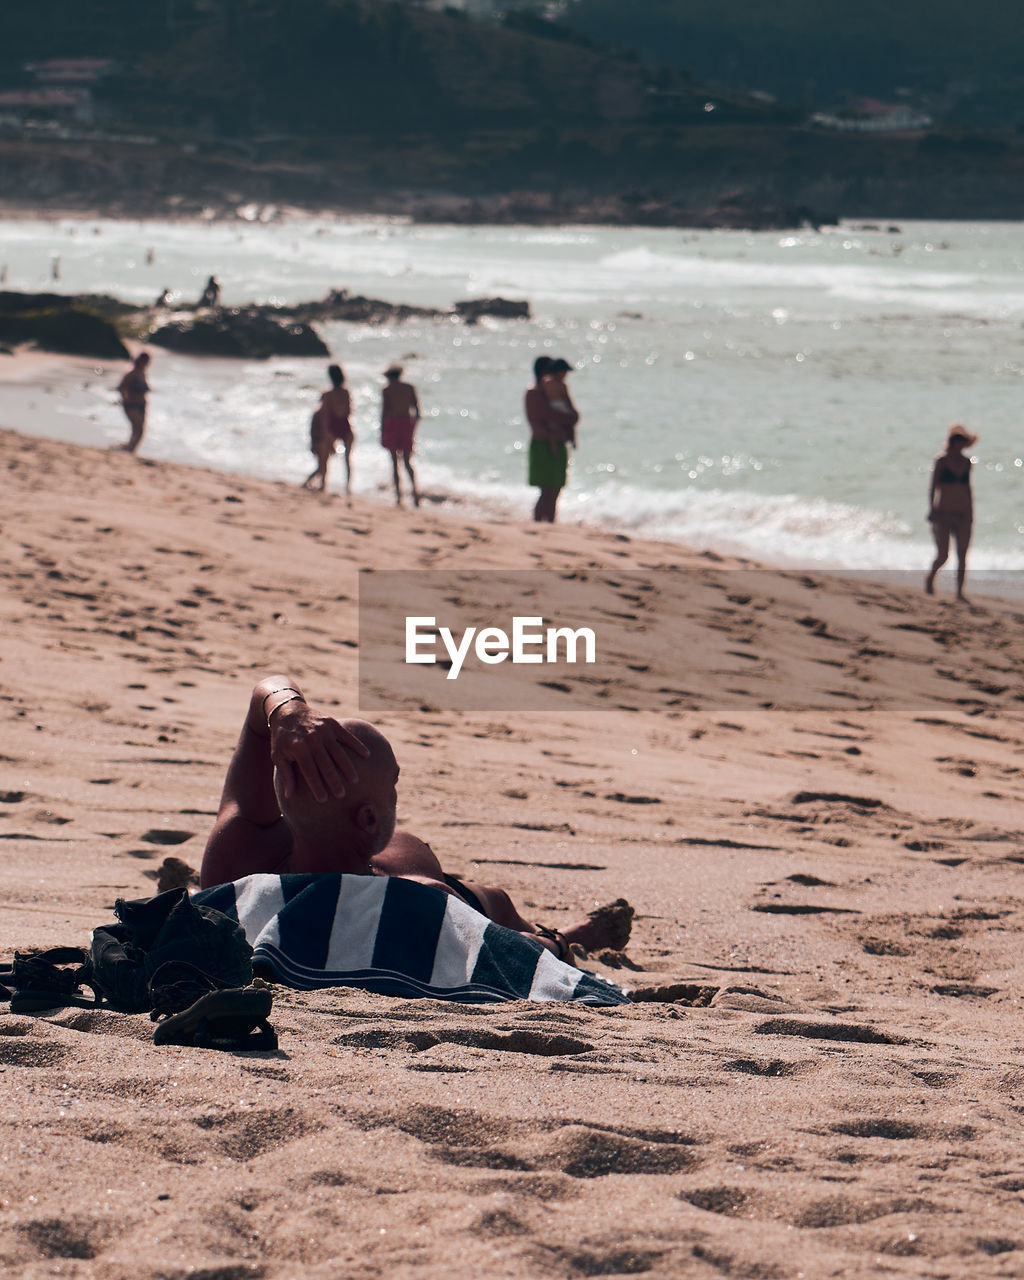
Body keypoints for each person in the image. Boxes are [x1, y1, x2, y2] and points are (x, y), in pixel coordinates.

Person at [200, 675, 634, 963]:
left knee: (493, 902)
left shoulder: (240, 854)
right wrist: (553, 947)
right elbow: (517, 955)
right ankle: (576, 936)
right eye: (393, 785)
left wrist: (286, 709)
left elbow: (262, 701)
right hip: (457, 900)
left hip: (388, 873)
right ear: (369, 819)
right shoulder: (427, 903)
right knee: (500, 906)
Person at [925, 424, 977, 602]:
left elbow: (968, 489)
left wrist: (971, 514)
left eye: (963, 441)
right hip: (944, 513)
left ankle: (959, 593)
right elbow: (933, 488)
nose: (961, 444)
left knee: (963, 554)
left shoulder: (967, 462)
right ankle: (930, 578)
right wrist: (932, 509)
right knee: (943, 555)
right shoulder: (941, 461)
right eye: (958, 441)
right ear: (952, 442)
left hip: (963, 513)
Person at [525, 355, 579, 523]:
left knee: (555, 489)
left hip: (556, 443)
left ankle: (549, 523)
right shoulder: (534, 393)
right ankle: (540, 524)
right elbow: (549, 418)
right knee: (547, 490)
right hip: (543, 444)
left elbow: (573, 417)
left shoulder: (554, 391)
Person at [303, 364, 353, 494]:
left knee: (324, 460)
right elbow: (347, 412)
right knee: (347, 460)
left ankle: (323, 485)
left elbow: (324, 416)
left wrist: (326, 433)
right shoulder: (346, 392)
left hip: (331, 427)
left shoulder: (327, 394)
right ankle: (348, 488)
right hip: (345, 426)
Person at [380, 365, 420, 507]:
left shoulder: (387, 390)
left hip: (392, 425)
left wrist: (382, 432)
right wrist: (412, 427)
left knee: (394, 463)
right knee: (408, 462)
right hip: (406, 424)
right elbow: (417, 412)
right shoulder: (409, 388)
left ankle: (398, 496)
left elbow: (384, 413)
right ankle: (415, 493)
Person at [116, 351, 151, 453]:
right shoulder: (132, 373)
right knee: (138, 429)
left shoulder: (142, 373)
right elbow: (122, 387)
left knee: (139, 431)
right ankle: (130, 450)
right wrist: (125, 399)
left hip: (141, 405)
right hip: (131, 405)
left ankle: (130, 450)